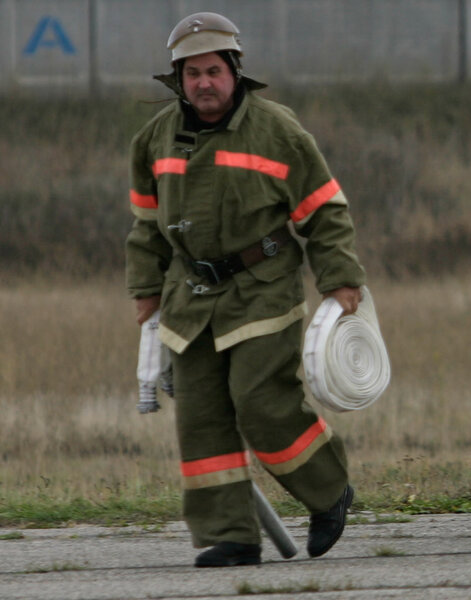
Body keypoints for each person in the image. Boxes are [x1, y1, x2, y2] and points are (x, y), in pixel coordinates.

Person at [125, 12, 362, 567]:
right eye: (191, 73)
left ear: (235, 70)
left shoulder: (278, 130)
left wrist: (341, 280)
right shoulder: (153, 139)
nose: (204, 83)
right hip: (190, 299)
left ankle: (330, 491)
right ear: (177, 80)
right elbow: (144, 224)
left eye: (213, 70)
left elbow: (325, 212)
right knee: (201, 419)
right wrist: (145, 289)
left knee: (260, 404)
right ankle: (229, 535)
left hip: (263, 290)